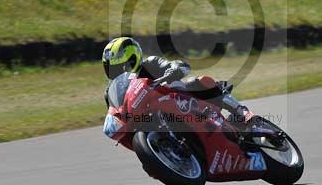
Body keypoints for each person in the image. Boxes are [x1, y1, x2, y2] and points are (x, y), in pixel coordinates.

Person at [101, 36, 252, 123]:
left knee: (200, 81)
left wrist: (173, 70)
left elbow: (175, 65)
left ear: (134, 58)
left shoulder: (150, 63)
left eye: (122, 66)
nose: (119, 72)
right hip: (153, 120)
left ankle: (242, 112)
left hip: (182, 103)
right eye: (112, 69)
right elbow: (115, 115)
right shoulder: (111, 92)